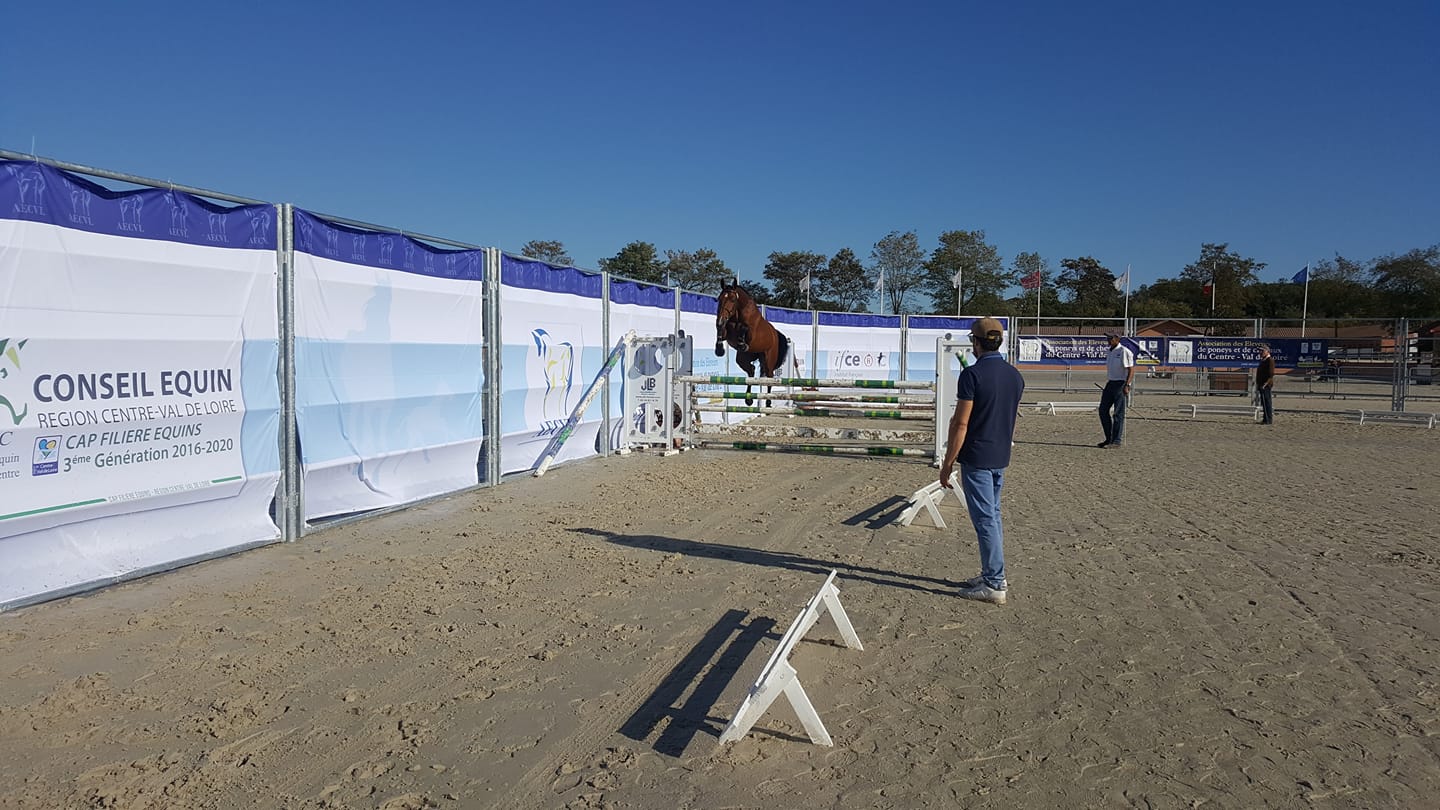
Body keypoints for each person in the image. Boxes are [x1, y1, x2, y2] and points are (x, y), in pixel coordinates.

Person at [939, 317, 1025, 605]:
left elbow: (960, 424)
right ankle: (992, 571)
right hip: (1001, 454)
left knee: (985, 519)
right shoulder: (1015, 375)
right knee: (994, 515)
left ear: (976, 342)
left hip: (977, 455)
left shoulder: (972, 376)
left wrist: (948, 461)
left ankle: (995, 581)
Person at [1098, 331, 1134, 448]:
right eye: (1108, 338)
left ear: (1117, 339)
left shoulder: (1124, 351)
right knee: (1103, 410)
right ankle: (1109, 438)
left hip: (1120, 383)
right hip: (1110, 383)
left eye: (1111, 338)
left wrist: (1127, 385)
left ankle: (1116, 441)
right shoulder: (1110, 351)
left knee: (1118, 413)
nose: (1108, 340)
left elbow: (1131, 369)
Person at [1255, 344, 1275, 425]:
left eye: (1262, 351)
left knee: (1267, 402)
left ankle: (1268, 419)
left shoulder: (1270, 360)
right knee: (1263, 402)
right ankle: (1265, 418)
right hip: (1261, 384)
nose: (1260, 352)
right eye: (1260, 351)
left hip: (1265, 384)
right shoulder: (1263, 360)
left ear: (1267, 351)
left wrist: (1265, 384)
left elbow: (1271, 374)